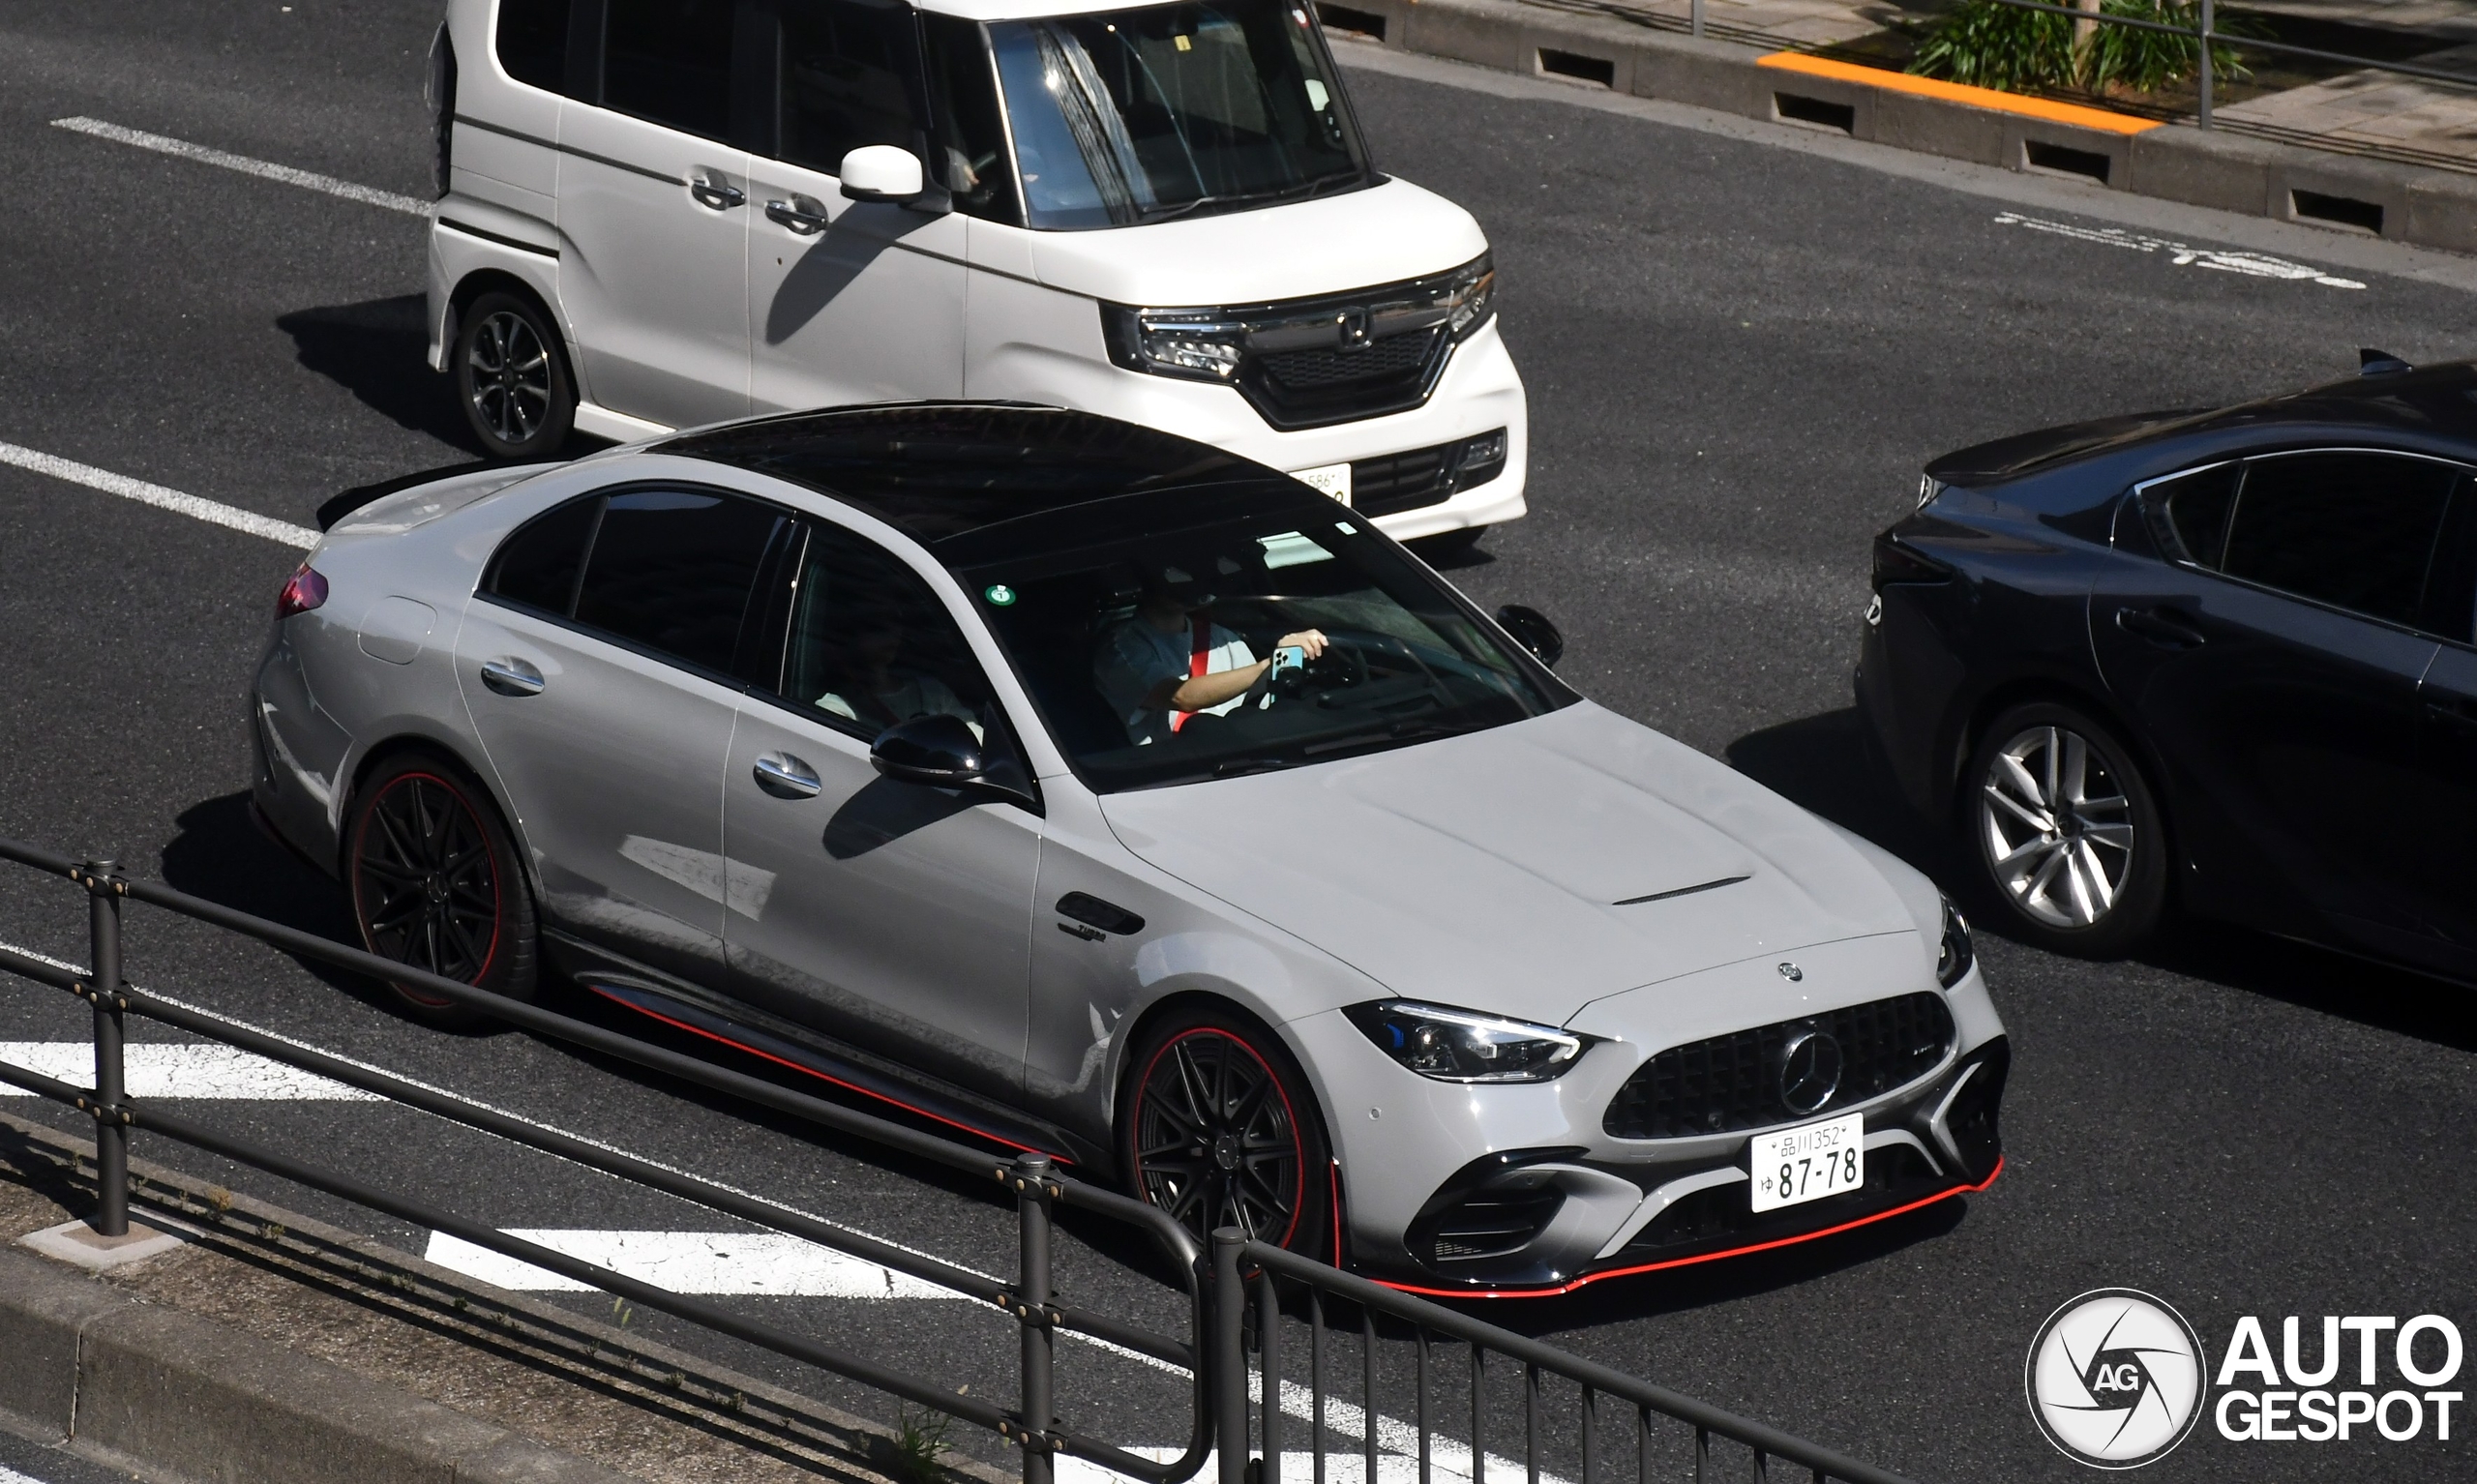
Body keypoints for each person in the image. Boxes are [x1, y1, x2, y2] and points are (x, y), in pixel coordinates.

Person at [1093, 565, 1327, 745]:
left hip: (1243, 757)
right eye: (1176, 571)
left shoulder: (1223, 638)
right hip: (1173, 774)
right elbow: (1180, 696)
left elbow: (1260, 708)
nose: (1190, 579)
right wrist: (1271, 663)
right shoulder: (1122, 648)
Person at [818, 620, 983, 739]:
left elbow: (974, 738)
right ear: (847, 638)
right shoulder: (833, 711)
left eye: (896, 622)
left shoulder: (934, 693)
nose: (893, 633)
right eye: (876, 626)